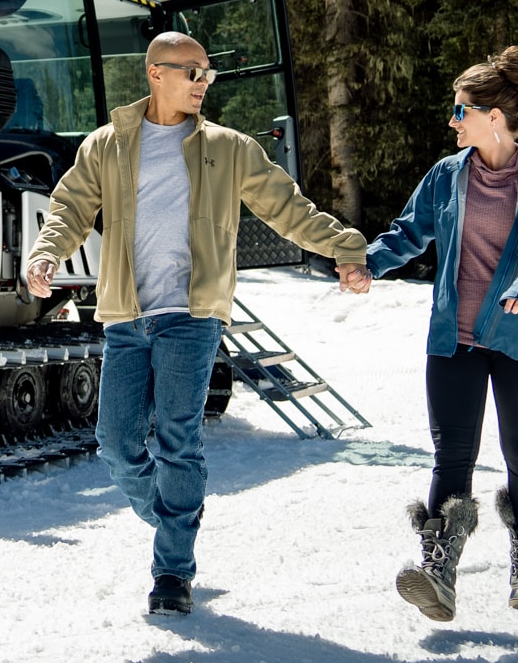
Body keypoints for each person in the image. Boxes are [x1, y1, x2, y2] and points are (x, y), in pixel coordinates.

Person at [27, 31, 373, 617]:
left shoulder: (229, 148)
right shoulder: (106, 145)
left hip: (191, 317)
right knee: (115, 445)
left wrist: (346, 248)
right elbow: (69, 206)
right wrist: (47, 252)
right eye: (192, 72)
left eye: (208, 73)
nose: (203, 83)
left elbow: (288, 207)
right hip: (127, 318)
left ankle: (172, 572)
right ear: (155, 74)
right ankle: (175, 520)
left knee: (177, 440)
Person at [353, 46, 518, 621]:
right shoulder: (448, 176)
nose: (452, 121)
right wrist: (367, 263)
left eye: (460, 111)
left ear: (493, 118)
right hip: (453, 338)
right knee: (450, 455)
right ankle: (439, 572)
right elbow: (409, 231)